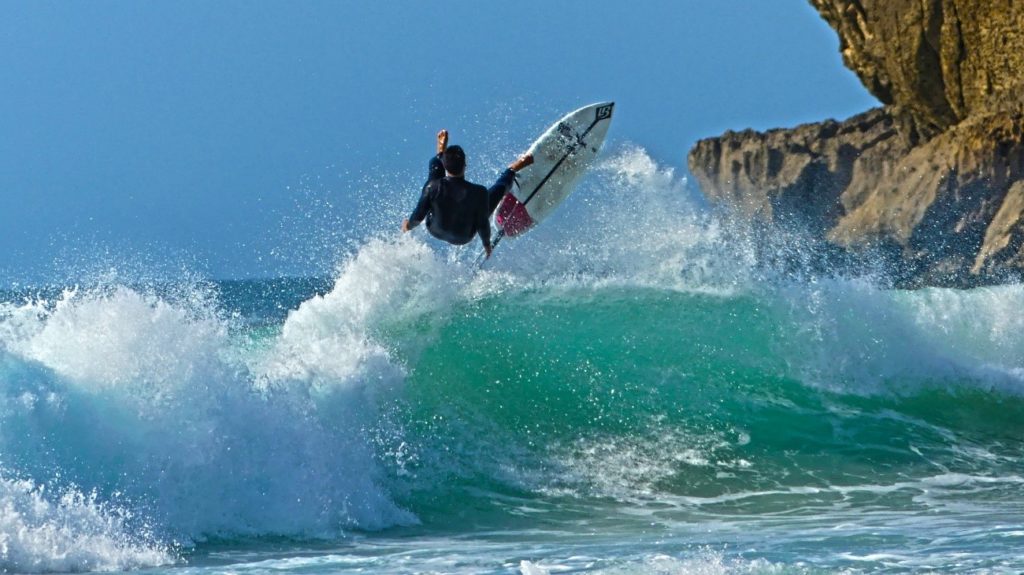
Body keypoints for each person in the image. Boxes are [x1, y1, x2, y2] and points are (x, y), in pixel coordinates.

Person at [402, 130, 533, 258]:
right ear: (465, 165)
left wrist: (408, 225)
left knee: (434, 167)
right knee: (497, 190)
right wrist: (486, 244)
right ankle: (512, 170)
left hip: (434, 229)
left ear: (446, 167)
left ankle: (441, 153)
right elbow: (482, 224)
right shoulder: (479, 192)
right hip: (463, 236)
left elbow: (419, 215)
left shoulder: (433, 187)